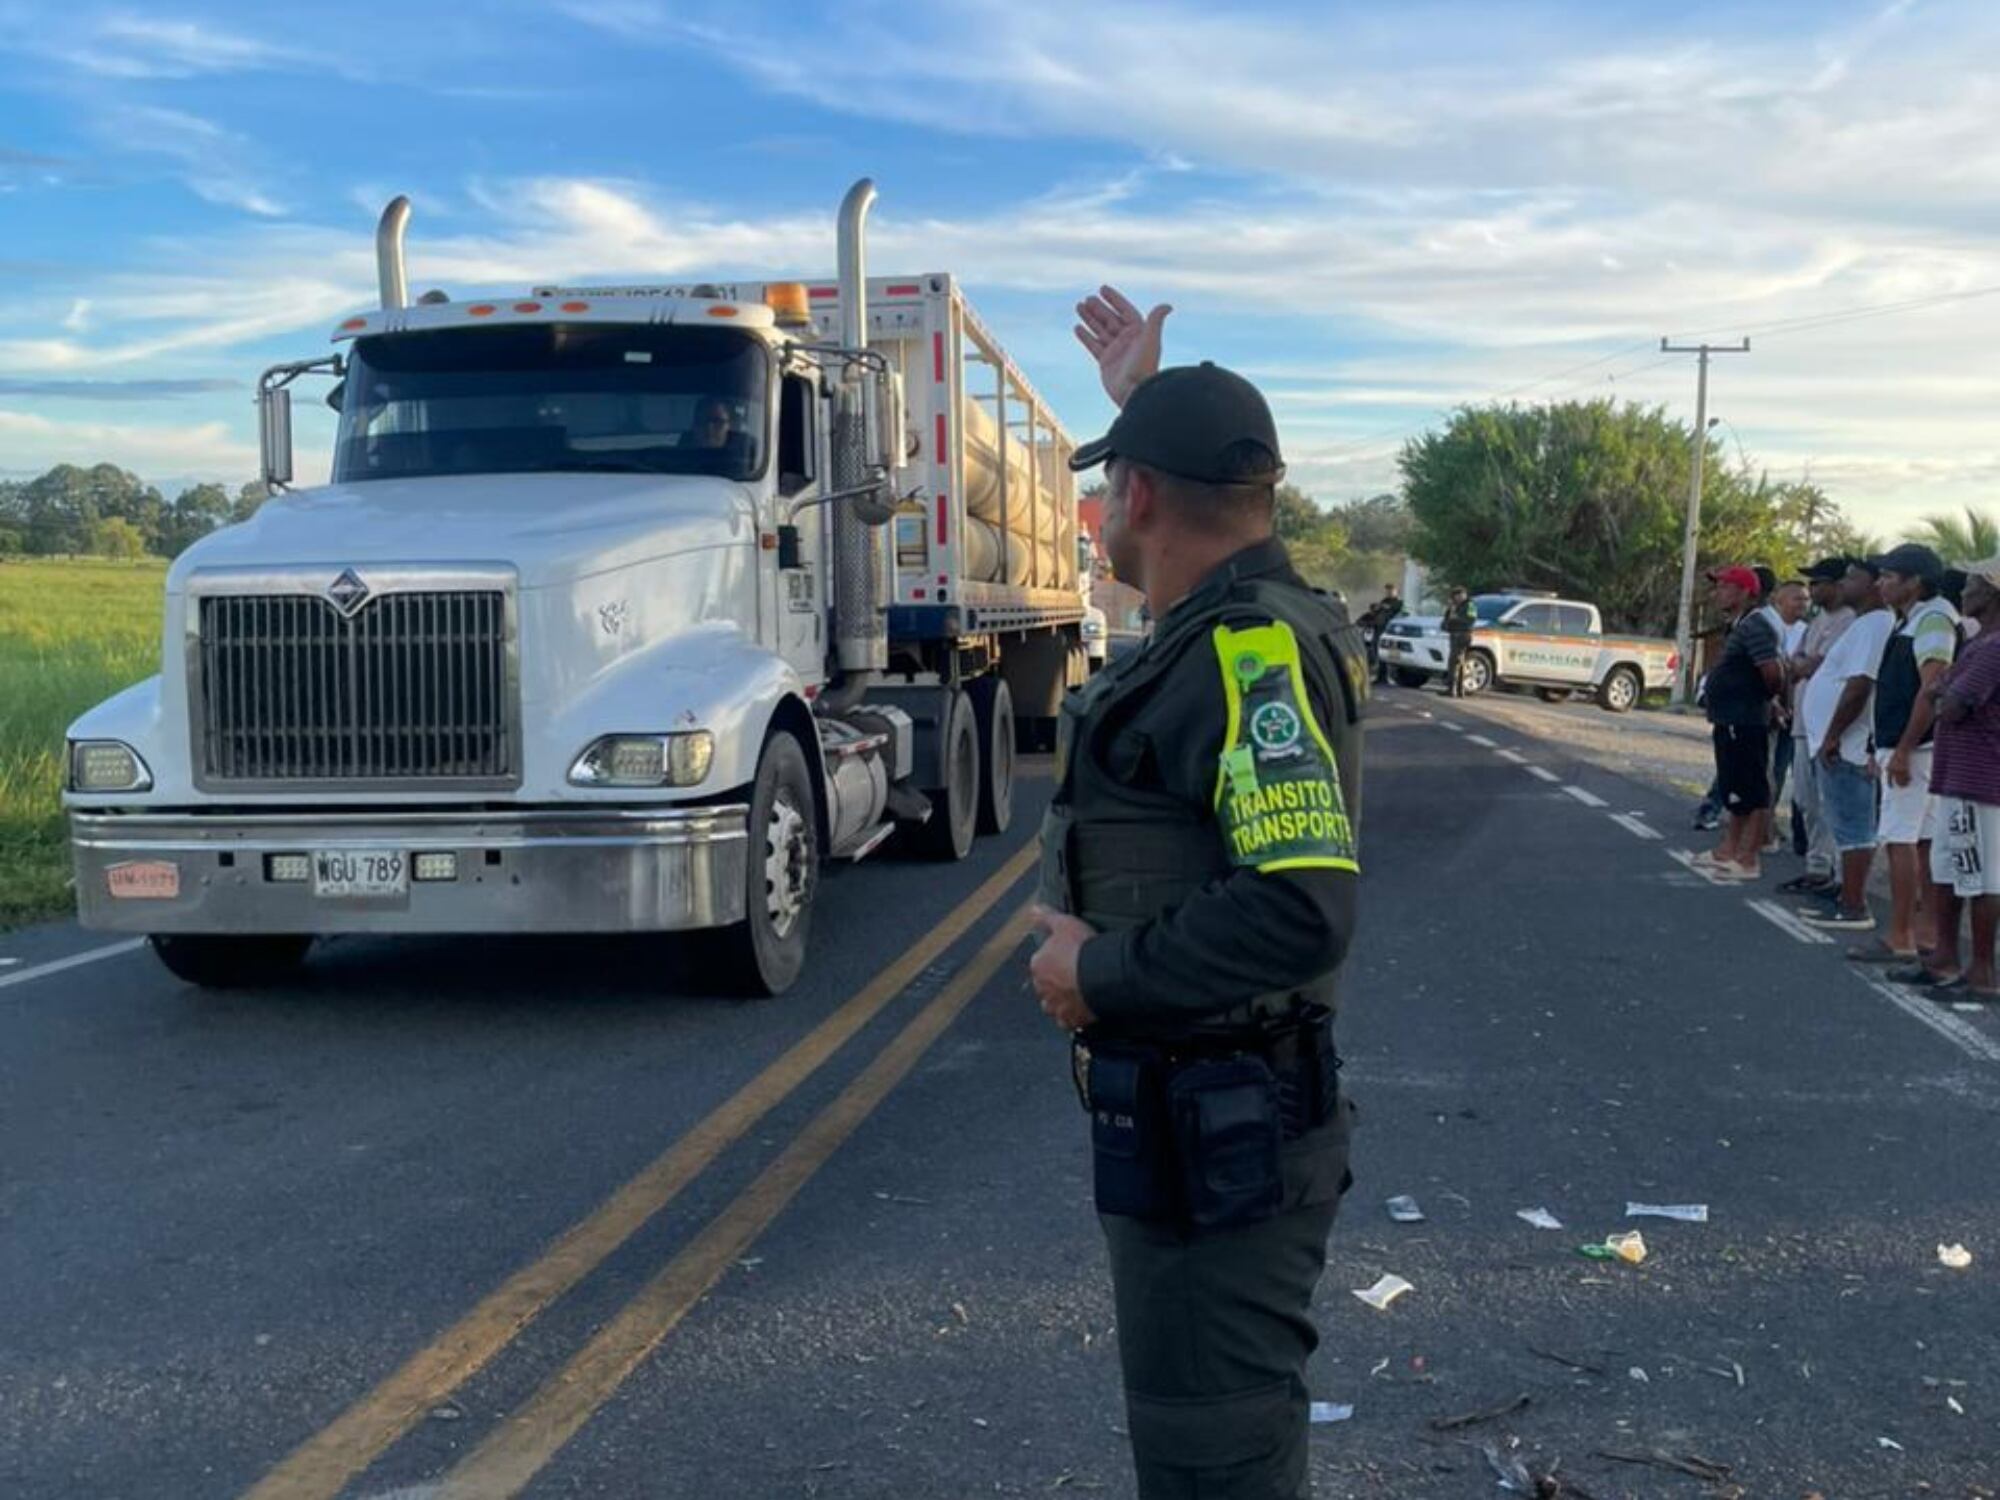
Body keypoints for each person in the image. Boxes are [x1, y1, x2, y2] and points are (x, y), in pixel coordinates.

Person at [1031, 285, 1364, 1500]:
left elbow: (1299, 906)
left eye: (1110, 481)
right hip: (1199, 1120)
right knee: (1211, 1434)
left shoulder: (1249, 650)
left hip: (1219, 1129)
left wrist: (1093, 974)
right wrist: (1147, 406)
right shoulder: (1242, 622)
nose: (1100, 508)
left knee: (1208, 1456)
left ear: (1140, 498)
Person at [1906, 555, 2000, 1001]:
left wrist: (1942, 692)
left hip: (1980, 780)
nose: (1962, 589)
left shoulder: (1995, 646)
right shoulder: (1981, 643)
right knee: (1949, 870)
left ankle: (1980, 970)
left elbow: (1954, 703)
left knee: (1980, 877)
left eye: (1972, 583)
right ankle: (1945, 958)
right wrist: (1941, 691)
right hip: (1959, 776)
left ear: (1993, 592)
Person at [1859, 544, 1958, 963]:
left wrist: (1901, 749)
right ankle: (1927, 933)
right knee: (1924, 842)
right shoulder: (1916, 619)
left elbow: (1930, 689)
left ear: (1914, 581)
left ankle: (1900, 934)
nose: (1880, 583)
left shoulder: (1932, 620)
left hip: (1916, 751)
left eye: (1888, 576)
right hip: (1919, 748)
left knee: (1900, 839)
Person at [1797, 559, 1895, 930]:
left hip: (1848, 745)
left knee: (1855, 828)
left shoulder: (1875, 624)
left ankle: (1854, 906)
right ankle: (1844, 895)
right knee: (1843, 824)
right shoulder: (1863, 624)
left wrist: (1834, 734)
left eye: (1854, 578)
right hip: (1838, 741)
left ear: (1873, 586)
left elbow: (1859, 686)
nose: (1845, 583)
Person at [1693, 566, 1783, 879]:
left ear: (1745, 591)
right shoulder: (1738, 625)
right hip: (1731, 717)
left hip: (1744, 718)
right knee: (1734, 787)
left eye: (1725, 586)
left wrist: (1764, 698)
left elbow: (1771, 671)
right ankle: (1728, 849)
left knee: (1752, 789)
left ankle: (1747, 857)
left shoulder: (1755, 626)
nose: (1718, 592)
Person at [1779, 558, 1857, 895]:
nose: (1813, 590)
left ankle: (1841, 875)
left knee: (1834, 800)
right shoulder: (1814, 622)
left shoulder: (1851, 621)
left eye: (1820, 582)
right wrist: (1802, 665)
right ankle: (1816, 866)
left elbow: (1817, 665)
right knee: (1805, 798)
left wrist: (1804, 665)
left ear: (1839, 585)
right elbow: (1793, 662)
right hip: (1802, 724)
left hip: (1831, 726)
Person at [1765, 579, 1810, 854]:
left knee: (1801, 777)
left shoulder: (1809, 631)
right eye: (1797, 599)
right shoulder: (1769, 628)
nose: (1803, 604)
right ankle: (1766, 824)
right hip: (1774, 711)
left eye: (1805, 599)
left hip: (1800, 714)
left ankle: (1799, 833)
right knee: (1773, 771)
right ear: (1779, 602)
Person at [1442, 586, 1476, 697]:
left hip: (1463, 635)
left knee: (1455, 662)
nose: (1457, 598)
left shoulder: (1469, 605)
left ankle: (1454, 689)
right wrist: (1450, 610)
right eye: (1455, 596)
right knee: (1457, 662)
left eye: (1459, 595)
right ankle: (1457, 689)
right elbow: (1446, 620)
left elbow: (1470, 620)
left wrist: (1455, 618)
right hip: (1454, 634)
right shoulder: (1455, 606)